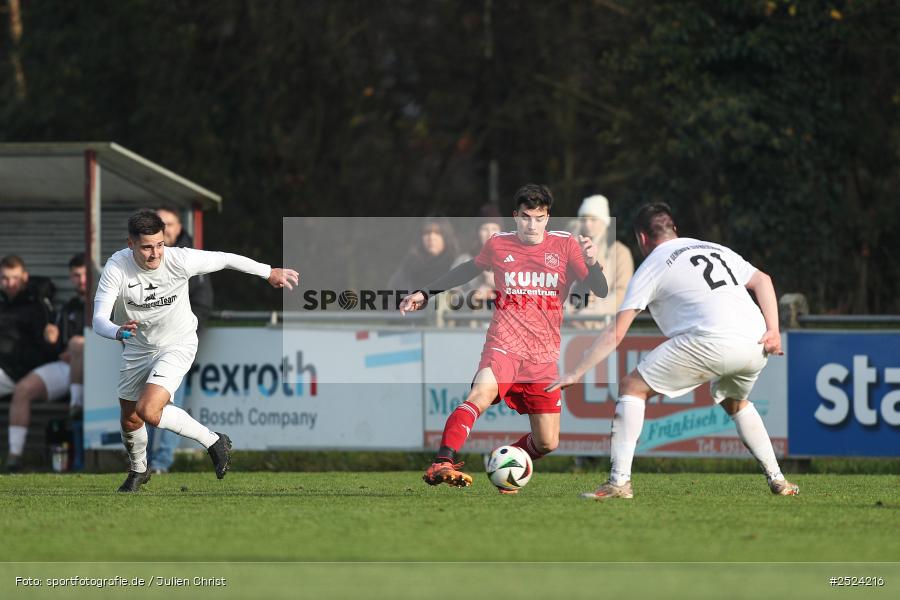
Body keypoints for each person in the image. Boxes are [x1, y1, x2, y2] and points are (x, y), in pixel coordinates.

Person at [548, 202, 799, 499]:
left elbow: (616, 332)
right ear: (674, 229)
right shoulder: (713, 248)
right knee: (735, 402)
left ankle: (618, 482)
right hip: (756, 340)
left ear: (641, 238)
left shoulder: (652, 264)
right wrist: (774, 331)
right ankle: (778, 479)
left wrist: (577, 371)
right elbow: (763, 280)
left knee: (631, 387)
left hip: (711, 339)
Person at [399, 184, 609, 492]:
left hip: (543, 357)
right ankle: (443, 460)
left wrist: (592, 263)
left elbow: (600, 290)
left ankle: (505, 461)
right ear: (515, 216)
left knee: (547, 442)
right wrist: (424, 293)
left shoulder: (566, 246)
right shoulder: (498, 244)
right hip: (503, 346)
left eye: (539, 218)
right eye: (525, 218)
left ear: (548, 217)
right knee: (478, 396)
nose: (532, 225)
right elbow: (467, 271)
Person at [92, 209, 299, 492]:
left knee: (149, 410)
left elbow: (225, 259)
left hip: (178, 343)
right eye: (147, 247)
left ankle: (214, 441)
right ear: (130, 245)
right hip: (137, 348)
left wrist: (268, 272)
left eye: (159, 245)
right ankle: (139, 470)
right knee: (129, 417)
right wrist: (117, 330)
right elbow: (98, 319)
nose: (155, 254)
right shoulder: (117, 267)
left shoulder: (180, 260)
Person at [145, 206, 215, 474]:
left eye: (170, 224)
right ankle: (145, 462)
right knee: (146, 407)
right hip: (147, 346)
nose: (166, 228)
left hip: (176, 348)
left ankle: (161, 462)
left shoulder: (190, 260)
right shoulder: (143, 258)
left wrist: (182, 332)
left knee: (168, 406)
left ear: (178, 228)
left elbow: (203, 304)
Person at [5, 254, 87, 470]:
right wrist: (53, 341)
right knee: (23, 390)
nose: (82, 280)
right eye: (76, 275)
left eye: (86, 274)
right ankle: (14, 457)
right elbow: (54, 348)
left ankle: (76, 405)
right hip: (68, 368)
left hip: (100, 368)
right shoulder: (68, 308)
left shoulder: (110, 302)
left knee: (79, 344)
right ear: (70, 278)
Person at [1, 255, 58, 471]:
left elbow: (49, 345)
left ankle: (14, 457)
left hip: (32, 369)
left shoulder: (38, 304)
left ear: (25, 277)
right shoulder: (3, 304)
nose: (10, 283)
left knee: (23, 390)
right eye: (5, 278)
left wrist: (50, 338)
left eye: (14, 278)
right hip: (7, 370)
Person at [567, 195, 634, 326]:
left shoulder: (620, 252)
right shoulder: (569, 246)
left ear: (604, 221)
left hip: (603, 327)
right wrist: (567, 312)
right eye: (583, 219)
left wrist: (591, 313)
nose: (587, 224)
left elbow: (622, 293)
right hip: (566, 325)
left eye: (593, 219)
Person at [388, 217, 462, 293]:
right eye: (427, 233)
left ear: (446, 237)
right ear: (421, 238)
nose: (431, 237)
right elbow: (392, 298)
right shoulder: (408, 267)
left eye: (437, 233)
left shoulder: (456, 267)